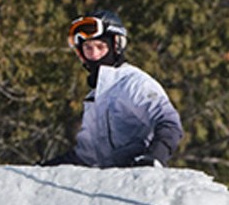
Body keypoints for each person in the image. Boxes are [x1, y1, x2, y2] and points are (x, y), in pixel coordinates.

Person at [43, 9, 183, 169]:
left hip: (137, 175)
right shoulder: (95, 97)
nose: (94, 54)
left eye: (100, 47)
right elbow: (87, 155)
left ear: (116, 46)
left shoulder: (133, 83)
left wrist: (155, 157)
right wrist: (43, 170)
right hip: (107, 182)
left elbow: (169, 123)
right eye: (88, 48)